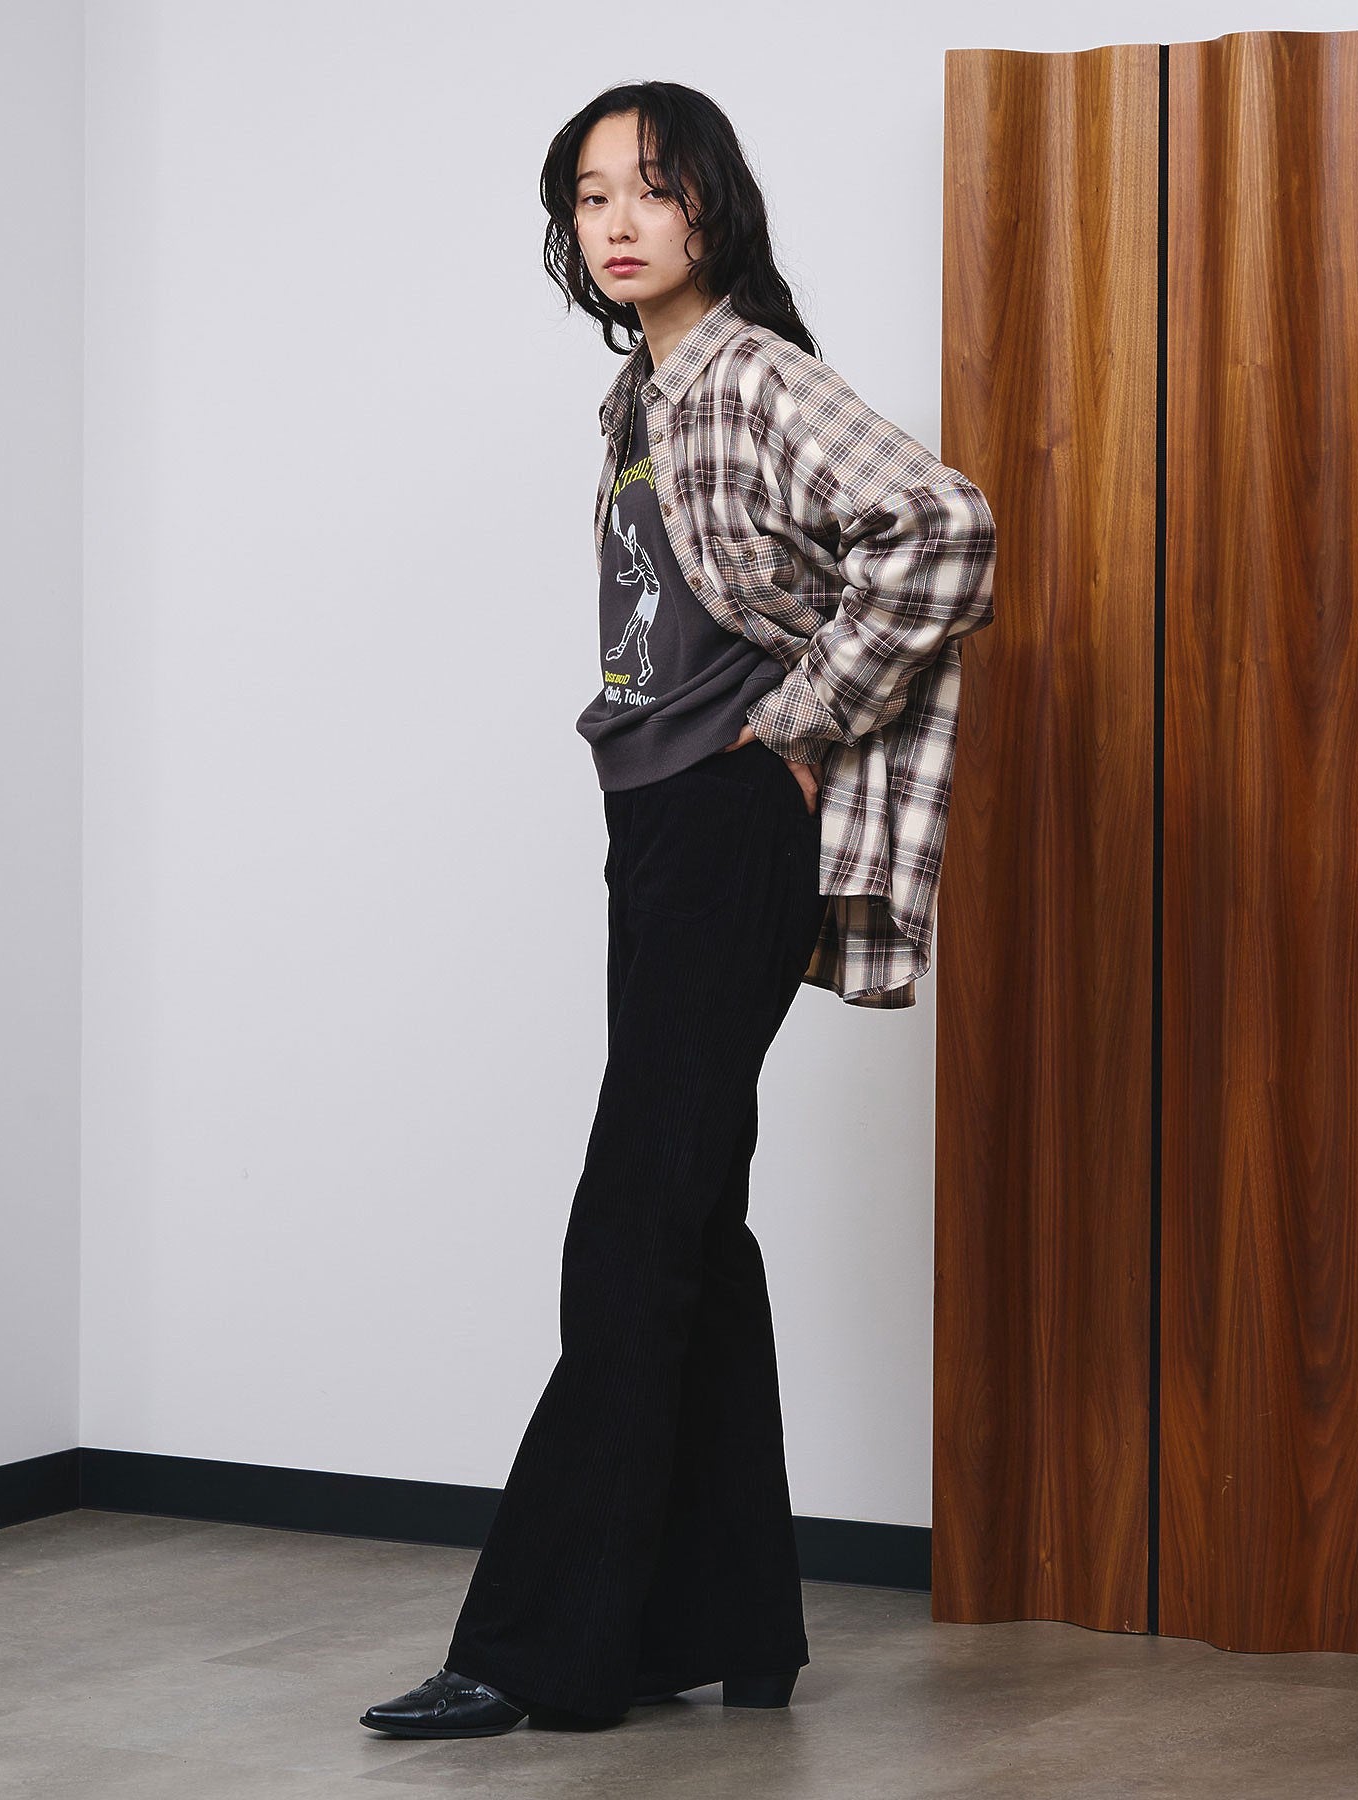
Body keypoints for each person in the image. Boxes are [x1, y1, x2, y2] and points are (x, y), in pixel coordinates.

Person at [359, 79, 996, 1742]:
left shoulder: (752, 375)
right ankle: (727, 1624)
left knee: (633, 1224)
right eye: (591, 196)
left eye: (652, 186)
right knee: (691, 1219)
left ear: (712, 203)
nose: (620, 220)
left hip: (728, 826)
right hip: (654, 828)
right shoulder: (639, 399)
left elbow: (943, 525)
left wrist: (795, 726)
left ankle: (536, 1648)